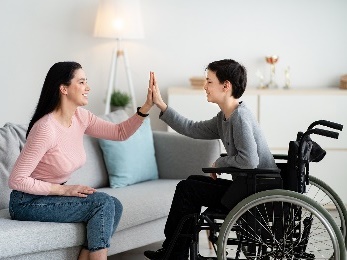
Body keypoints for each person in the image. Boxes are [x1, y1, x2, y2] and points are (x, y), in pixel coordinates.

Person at [8, 61, 154, 260]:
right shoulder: (45, 129)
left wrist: (146, 107)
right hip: (27, 202)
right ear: (64, 88)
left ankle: (86, 256)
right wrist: (63, 190)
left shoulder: (81, 117)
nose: (88, 87)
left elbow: (119, 132)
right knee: (102, 202)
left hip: (51, 197)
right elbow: (16, 180)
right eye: (82, 82)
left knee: (114, 204)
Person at [144, 59, 278, 260]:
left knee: (187, 189)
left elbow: (249, 161)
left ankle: (174, 253)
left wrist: (219, 163)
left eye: (209, 82)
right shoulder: (225, 117)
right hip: (246, 187)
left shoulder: (240, 117)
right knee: (192, 182)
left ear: (226, 86)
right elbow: (191, 128)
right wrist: (161, 105)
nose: (204, 87)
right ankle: (175, 249)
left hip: (255, 193)